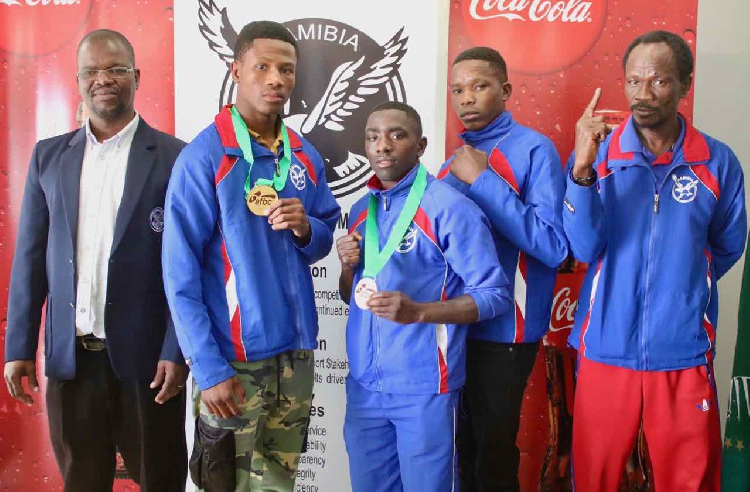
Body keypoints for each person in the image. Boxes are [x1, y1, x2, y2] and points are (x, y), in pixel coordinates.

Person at [3, 29, 188, 491]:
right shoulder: (48, 157)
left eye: (115, 69)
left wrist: (175, 349)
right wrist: (19, 347)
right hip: (72, 363)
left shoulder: (174, 157)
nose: (103, 79)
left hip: (150, 364)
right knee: (81, 482)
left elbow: (188, 268)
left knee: (160, 479)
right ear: (78, 81)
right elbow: (30, 260)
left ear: (136, 77)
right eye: (92, 71)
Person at [564, 30, 746, 490]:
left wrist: (680, 291)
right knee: (595, 480)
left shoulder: (717, 162)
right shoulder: (599, 156)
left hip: (682, 351)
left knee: (690, 481)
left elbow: (727, 246)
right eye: (633, 80)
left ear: (685, 84)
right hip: (605, 345)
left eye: (659, 81)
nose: (642, 94)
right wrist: (581, 170)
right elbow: (582, 248)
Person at [162, 21, 340, 492]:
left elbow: (324, 236)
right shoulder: (205, 157)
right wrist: (208, 368)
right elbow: (179, 276)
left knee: (280, 484)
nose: (276, 79)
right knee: (226, 485)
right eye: (262, 67)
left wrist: (307, 228)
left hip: (295, 355)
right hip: (232, 362)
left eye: (287, 69)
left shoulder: (303, 154)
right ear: (236, 70)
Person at [337, 101, 512, 492]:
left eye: (396, 135)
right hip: (365, 387)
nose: (382, 145)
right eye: (373, 137)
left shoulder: (449, 208)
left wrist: (419, 312)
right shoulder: (361, 210)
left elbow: (495, 295)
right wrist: (348, 269)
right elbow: (352, 297)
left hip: (424, 387)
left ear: (420, 145)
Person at [438, 47, 568, 491]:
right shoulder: (453, 161)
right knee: (463, 450)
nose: (466, 98)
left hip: (507, 328)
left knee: (493, 456)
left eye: (479, 86)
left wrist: (483, 180)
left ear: (506, 90)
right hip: (455, 325)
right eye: (457, 90)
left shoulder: (534, 149)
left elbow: (553, 246)